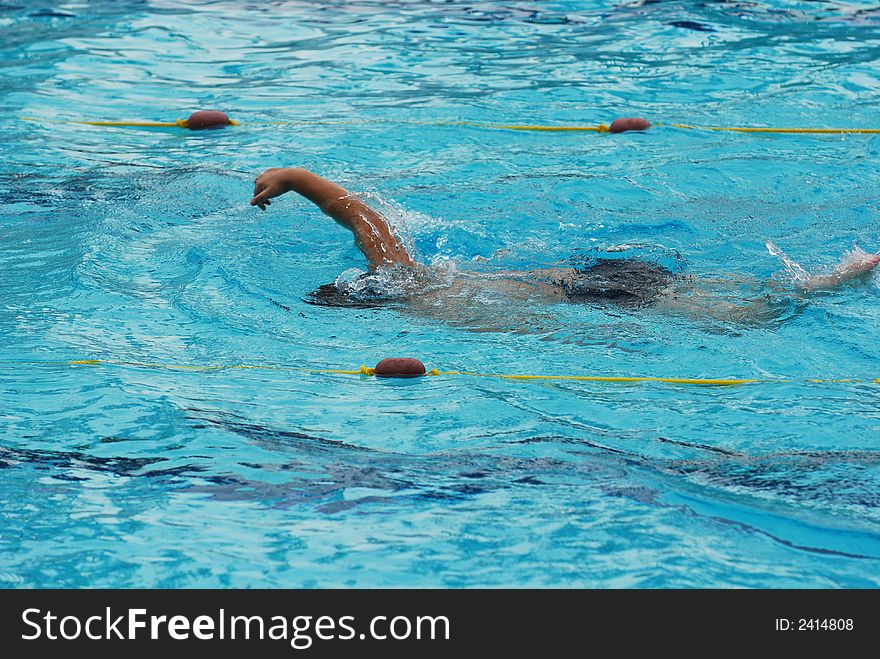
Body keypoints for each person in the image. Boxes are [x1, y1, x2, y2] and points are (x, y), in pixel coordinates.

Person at [250, 167, 880, 324]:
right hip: (585, 274)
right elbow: (358, 214)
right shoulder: (414, 272)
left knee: (749, 317)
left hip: (591, 293)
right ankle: (827, 280)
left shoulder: (412, 296)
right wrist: (294, 177)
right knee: (725, 298)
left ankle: (830, 282)